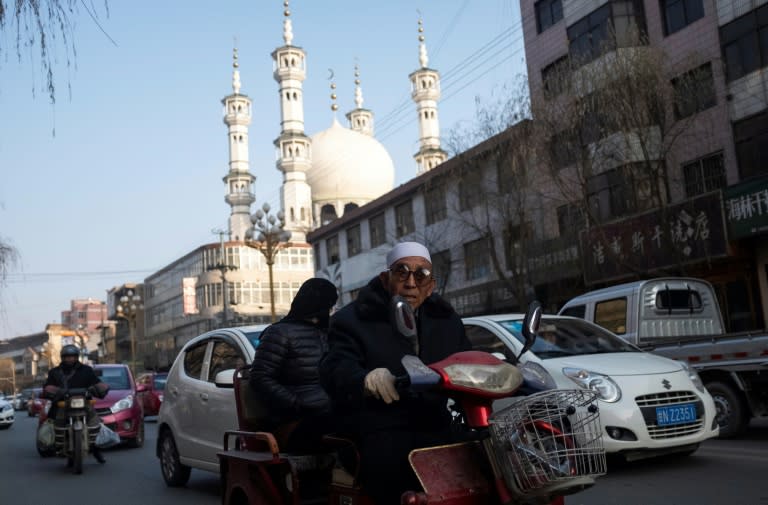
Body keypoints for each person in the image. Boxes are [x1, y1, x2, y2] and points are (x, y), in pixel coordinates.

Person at [320, 241, 471, 505]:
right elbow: (334, 367)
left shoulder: (446, 319)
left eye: (421, 275)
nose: (411, 283)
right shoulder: (351, 320)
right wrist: (365, 379)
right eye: (402, 272)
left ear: (431, 285)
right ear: (385, 278)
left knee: (483, 459)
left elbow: (465, 358)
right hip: (375, 426)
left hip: (435, 424)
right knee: (395, 471)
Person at [249, 277, 339, 452]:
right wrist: (296, 404)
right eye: (330, 305)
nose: (332, 310)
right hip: (295, 423)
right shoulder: (279, 333)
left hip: (331, 411)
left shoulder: (330, 332)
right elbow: (260, 378)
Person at [43, 344, 110, 464]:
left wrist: (100, 388)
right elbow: (48, 386)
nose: (70, 359)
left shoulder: (86, 370)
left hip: (84, 402)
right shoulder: (55, 372)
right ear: (62, 357)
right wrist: (52, 391)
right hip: (63, 404)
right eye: (67, 357)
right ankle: (57, 444)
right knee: (52, 424)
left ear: (77, 357)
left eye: (73, 356)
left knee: (95, 421)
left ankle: (96, 449)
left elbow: (96, 382)